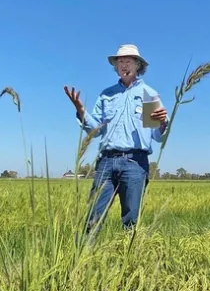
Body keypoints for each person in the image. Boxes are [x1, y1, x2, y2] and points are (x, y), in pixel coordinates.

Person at [63, 44, 168, 240]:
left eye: (129, 61)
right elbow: (95, 131)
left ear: (138, 65)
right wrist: (80, 110)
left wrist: (162, 123)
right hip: (106, 162)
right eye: (120, 61)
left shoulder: (148, 94)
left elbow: (156, 135)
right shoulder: (107, 94)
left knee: (131, 220)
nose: (124, 65)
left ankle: (128, 261)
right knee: (93, 216)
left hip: (135, 163)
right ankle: (82, 260)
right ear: (116, 66)